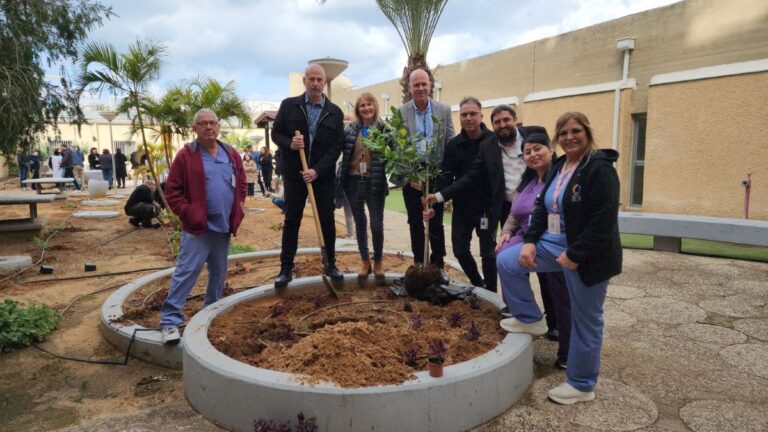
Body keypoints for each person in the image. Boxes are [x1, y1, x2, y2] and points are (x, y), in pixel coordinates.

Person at [497, 112, 621, 405]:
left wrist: (575, 255)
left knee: (585, 318)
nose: (569, 137)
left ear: (587, 133)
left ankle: (581, 383)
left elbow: (603, 221)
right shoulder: (562, 166)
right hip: (554, 242)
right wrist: (529, 242)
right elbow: (541, 210)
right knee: (507, 260)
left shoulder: (599, 169)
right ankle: (530, 319)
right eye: (563, 133)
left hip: (588, 252)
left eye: (575, 131)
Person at [158, 108, 247, 344]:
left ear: (219, 126)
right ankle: (169, 321)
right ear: (195, 129)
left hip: (223, 227)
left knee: (218, 273)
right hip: (198, 228)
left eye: (212, 123)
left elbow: (242, 183)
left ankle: (210, 312)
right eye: (203, 123)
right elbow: (172, 191)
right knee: (186, 272)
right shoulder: (187, 155)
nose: (208, 127)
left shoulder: (230, 153)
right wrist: (188, 212)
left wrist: (239, 204)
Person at [497, 132, 571, 369]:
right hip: (528, 239)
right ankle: (526, 316)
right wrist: (507, 231)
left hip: (552, 242)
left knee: (562, 298)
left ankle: (568, 354)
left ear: (550, 150)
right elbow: (514, 212)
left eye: (537, 149)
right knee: (504, 259)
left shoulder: (559, 179)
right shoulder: (529, 180)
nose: (532, 155)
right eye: (527, 152)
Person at [271, 63, 345, 288]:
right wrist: (290, 144)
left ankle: (330, 264)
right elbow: (276, 134)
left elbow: (336, 147)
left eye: (319, 80)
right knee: (292, 219)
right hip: (295, 175)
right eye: (311, 79)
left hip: (322, 178)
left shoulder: (335, 112)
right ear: (304, 81)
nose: (315, 83)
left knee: (327, 221)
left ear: (324, 83)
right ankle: (286, 268)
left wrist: (317, 170)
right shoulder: (289, 106)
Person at [426, 105, 547, 240]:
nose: (502, 125)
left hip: (537, 203)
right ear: (493, 125)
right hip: (507, 208)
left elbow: (549, 164)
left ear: (515, 119)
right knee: (509, 246)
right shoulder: (488, 146)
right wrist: (439, 196)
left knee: (542, 240)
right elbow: (471, 176)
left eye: (506, 120)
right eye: (497, 122)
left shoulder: (535, 134)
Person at [398, 68, 455, 272]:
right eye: (416, 85)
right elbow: (398, 145)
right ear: (410, 87)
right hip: (412, 172)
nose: (421, 88)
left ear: (430, 85)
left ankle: (437, 264)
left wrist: (448, 175)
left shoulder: (444, 110)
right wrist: (410, 173)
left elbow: (450, 143)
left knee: (436, 220)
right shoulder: (401, 112)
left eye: (424, 84)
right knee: (415, 220)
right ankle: (419, 263)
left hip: (436, 172)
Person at [441, 96, 496, 291]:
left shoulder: (493, 141)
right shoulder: (454, 145)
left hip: (486, 208)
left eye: (473, 114)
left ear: (482, 115)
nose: (468, 118)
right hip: (462, 206)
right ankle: (478, 284)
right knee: (460, 250)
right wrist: (437, 199)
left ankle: (492, 292)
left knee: (488, 254)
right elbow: (446, 176)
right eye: (464, 114)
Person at [339, 93, 389, 279]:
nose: (366, 108)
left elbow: (394, 151)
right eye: (362, 106)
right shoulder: (351, 129)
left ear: (375, 106)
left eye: (369, 105)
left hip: (374, 182)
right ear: (358, 109)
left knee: (376, 224)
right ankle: (364, 260)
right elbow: (341, 150)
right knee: (360, 222)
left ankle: (378, 261)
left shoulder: (384, 129)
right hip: (353, 181)